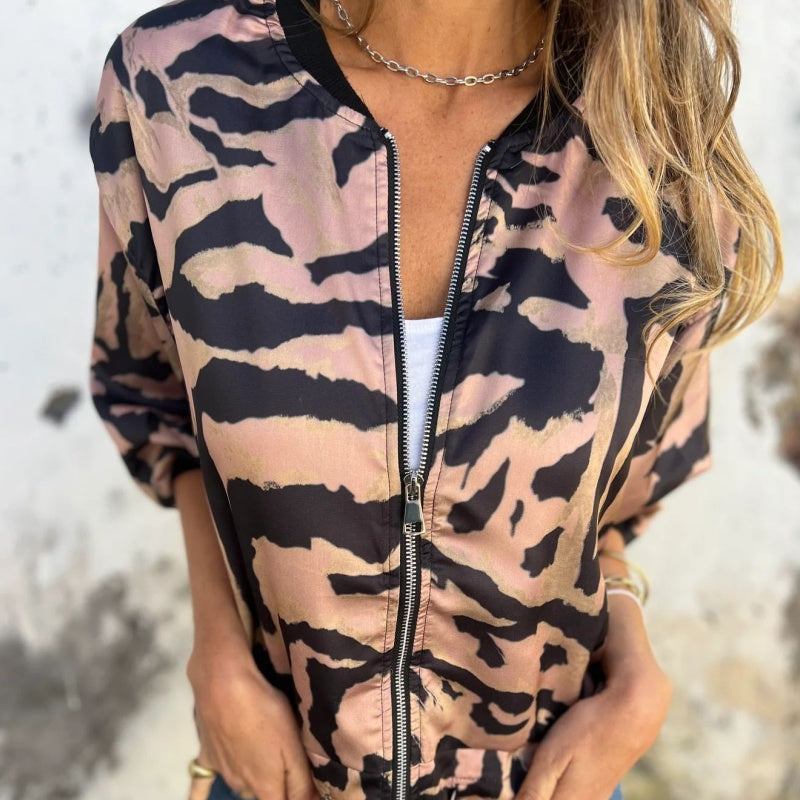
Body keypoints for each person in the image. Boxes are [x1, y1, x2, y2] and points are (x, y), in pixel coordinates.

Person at [87, 1, 781, 799]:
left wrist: (635, 673)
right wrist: (216, 656)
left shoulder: (653, 129)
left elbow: (612, 507)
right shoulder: (177, 82)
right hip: (285, 774)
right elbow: (159, 399)